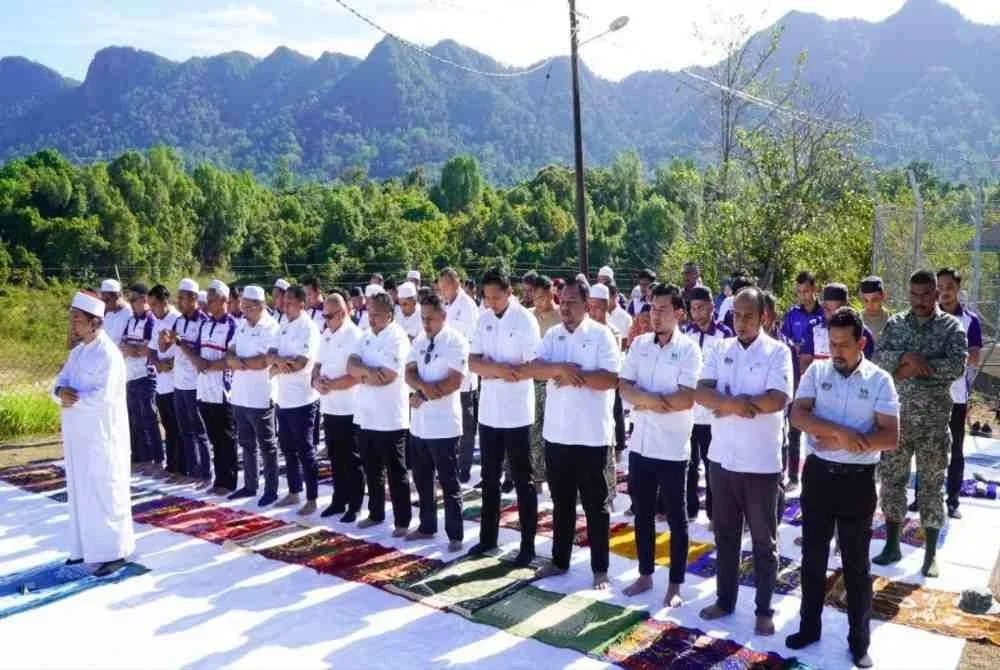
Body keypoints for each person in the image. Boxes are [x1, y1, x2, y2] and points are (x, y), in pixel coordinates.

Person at [786, 307, 899, 669]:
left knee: (856, 565)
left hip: (857, 482)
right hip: (818, 476)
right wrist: (841, 434)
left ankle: (859, 641)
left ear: (861, 342)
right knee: (812, 558)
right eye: (832, 343)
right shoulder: (816, 372)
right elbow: (798, 415)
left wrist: (849, 441)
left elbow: (890, 436)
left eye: (844, 345)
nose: (836, 351)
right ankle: (808, 628)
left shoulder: (880, 380)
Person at [695, 287, 793, 636]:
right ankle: (725, 600)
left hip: (761, 464)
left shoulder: (778, 352)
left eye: (749, 315)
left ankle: (764, 608)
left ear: (763, 316)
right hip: (722, 460)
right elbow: (702, 392)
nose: (741, 322)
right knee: (726, 536)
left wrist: (726, 404)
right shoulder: (720, 349)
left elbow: (776, 399)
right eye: (736, 315)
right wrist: (739, 405)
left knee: (764, 542)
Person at [872, 270, 966, 577]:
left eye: (926, 294)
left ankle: (929, 554)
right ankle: (892, 544)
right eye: (915, 294)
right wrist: (907, 357)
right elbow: (879, 359)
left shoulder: (951, 327)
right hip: (897, 421)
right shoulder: (896, 324)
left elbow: (956, 366)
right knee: (892, 481)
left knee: (931, 486)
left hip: (934, 423)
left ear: (936, 294)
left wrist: (918, 366)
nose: (920, 300)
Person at [530, 279, 621, 589]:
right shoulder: (553, 335)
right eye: (563, 301)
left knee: (596, 505)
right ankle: (559, 560)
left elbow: (610, 379)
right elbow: (535, 368)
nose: (565, 307)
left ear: (587, 305)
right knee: (562, 502)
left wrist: (573, 375)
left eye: (572, 302)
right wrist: (560, 369)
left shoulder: (601, 335)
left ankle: (600, 569)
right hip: (557, 434)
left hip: (591, 436)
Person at [620, 283, 702, 605]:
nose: (656, 315)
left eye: (663, 309)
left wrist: (646, 399)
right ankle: (645, 574)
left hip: (672, 448)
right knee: (641, 514)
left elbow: (684, 399)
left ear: (679, 313)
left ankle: (676, 583)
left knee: (676, 517)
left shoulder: (689, 350)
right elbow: (624, 387)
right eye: (653, 309)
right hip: (640, 445)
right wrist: (657, 401)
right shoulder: (639, 344)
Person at [54, 291, 135, 576]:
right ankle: (84, 550)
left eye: (77, 319)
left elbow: (104, 397)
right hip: (78, 438)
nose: (73, 324)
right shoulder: (77, 353)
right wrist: (59, 393)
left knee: (105, 492)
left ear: (94, 323)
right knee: (80, 493)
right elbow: (59, 383)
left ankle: (114, 552)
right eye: (72, 318)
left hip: (102, 437)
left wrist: (72, 398)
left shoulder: (109, 355)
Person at [467, 267, 541, 565]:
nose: (490, 303)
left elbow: (532, 365)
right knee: (489, 478)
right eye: (486, 297)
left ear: (509, 293)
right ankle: (488, 539)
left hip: (517, 413)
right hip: (489, 412)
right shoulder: (482, 319)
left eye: (496, 297)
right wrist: (499, 370)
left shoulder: (525, 320)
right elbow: (473, 363)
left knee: (524, 480)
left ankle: (527, 545)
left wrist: (493, 368)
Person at [404, 293, 468, 551]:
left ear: (443, 316)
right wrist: (422, 389)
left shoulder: (455, 341)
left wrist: (423, 392)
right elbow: (408, 372)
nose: (425, 323)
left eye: (430, 318)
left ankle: (455, 535)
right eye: (422, 318)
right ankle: (427, 526)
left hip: (444, 427)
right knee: (422, 480)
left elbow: (454, 382)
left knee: (448, 481)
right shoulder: (420, 340)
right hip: (419, 425)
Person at [348, 292, 413, 535]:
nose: (371, 319)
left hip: (390, 417)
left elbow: (387, 377)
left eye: (375, 315)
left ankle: (402, 521)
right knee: (372, 469)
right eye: (368, 313)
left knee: (396, 472)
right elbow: (350, 365)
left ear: (388, 315)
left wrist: (362, 373)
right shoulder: (365, 336)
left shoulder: (397, 338)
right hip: (365, 415)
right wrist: (368, 372)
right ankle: (375, 513)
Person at [933, 268, 982, 519]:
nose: (944, 292)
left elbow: (973, 357)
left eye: (948, 286)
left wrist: (945, 359)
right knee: (925, 447)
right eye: (939, 287)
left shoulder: (970, 320)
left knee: (956, 449)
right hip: (928, 395)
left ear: (957, 288)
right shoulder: (928, 317)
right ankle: (923, 498)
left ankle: (952, 500)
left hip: (956, 397)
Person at [226, 285, 281, 506]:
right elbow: (229, 354)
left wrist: (241, 363)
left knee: (267, 445)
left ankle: (271, 489)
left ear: (260, 306)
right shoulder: (242, 325)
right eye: (242, 306)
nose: (244, 311)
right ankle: (250, 485)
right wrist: (240, 362)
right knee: (246, 443)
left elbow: (265, 361)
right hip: (240, 395)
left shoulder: (271, 327)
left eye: (248, 307)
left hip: (260, 395)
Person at [682, 286, 733, 522]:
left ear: (712, 307)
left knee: (713, 462)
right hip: (689, 410)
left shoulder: (725, 335)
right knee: (688, 462)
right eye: (693, 308)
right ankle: (689, 508)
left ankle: (715, 513)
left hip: (713, 412)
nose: (697, 312)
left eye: (701, 307)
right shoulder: (685, 333)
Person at [269, 284, 322, 514]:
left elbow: (301, 363)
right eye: (284, 301)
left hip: (303, 399)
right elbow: (270, 355)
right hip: (283, 398)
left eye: (290, 301)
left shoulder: (308, 328)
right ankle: (293, 491)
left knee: (305, 449)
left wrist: (281, 364)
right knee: (288, 448)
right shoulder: (282, 325)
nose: (285, 304)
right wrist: (283, 363)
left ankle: (312, 498)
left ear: (302, 304)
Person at [313, 292, 365, 521]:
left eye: (330, 315)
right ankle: (338, 500)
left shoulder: (355, 336)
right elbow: (317, 364)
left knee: (352, 459)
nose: (326, 319)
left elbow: (356, 376)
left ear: (343, 313)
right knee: (335, 457)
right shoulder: (326, 334)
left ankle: (355, 504)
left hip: (350, 407)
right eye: (324, 315)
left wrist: (332, 384)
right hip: (330, 406)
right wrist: (316, 381)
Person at [779, 271, 824, 488]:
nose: (803, 296)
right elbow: (783, 338)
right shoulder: (792, 315)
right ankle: (793, 476)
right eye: (799, 292)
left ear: (815, 290)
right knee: (793, 427)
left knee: (818, 426)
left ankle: (818, 475)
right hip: (796, 376)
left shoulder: (826, 314)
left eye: (807, 291)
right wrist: (793, 346)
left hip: (820, 378)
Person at [162, 279, 210, 484]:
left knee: (199, 430)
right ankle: (190, 470)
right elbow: (166, 349)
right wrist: (163, 340)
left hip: (195, 384)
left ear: (194, 299)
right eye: (178, 297)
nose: (178, 301)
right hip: (178, 382)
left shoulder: (204, 322)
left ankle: (205, 473)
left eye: (182, 298)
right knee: (184, 430)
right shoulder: (178, 321)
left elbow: (199, 354)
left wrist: (179, 341)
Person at [195, 280, 239, 494]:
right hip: (204, 388)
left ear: (223, 300)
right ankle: (218, 479)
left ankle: (228, 481)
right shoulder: (205, 324)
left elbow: (232, 358)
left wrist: (210, 365)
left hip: (223, 389)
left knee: (226, 437)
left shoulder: (233, 325)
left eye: (211, 300)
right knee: (213, 435)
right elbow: (197, 351)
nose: (207, 304)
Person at [438, 268, 480, 484]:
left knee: (466, 424)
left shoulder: (468, 306)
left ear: (455, 283)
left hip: (464, 375)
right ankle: (452, 464)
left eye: (445, 286)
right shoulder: (446, 305)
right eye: (440, 287)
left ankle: (463, 468)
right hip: (446, 371)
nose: (442, 290)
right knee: (452, 422)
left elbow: (469, 341)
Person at [587, 283, 626, 501]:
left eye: (598, 307)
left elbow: (610, 371)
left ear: (606, 306)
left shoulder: (612, 332)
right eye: (590, 307)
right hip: (583, 401)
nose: (594, 312)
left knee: (605, 448)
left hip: (604, 398)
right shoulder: (582, 330)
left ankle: (608, 495)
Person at [120, 283, 162, 475]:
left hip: (146, 375)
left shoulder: (151, 321)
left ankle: (157, 458)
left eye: (133, 299)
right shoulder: (130, 320)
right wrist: (130, 349)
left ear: (144, 300)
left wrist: (133, 350)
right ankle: (140, 456)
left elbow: (148, 348)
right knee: (135, 417)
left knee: (149, 418)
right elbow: (123, 343)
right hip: (131, 375)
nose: (130, 303)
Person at [528, 274, 561, 490]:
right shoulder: (529, 317)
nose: (537, 302)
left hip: (555, 382)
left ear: (551, 294)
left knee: (554, 428)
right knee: (534, 428)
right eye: (534, 298)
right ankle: (538, 478)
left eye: (541, 297)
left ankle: (557, 475)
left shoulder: (560, 317)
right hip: (532, 380)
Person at [148, 285, 182, 479]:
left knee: (178, 428)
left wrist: (169, 364)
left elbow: (183, 349)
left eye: (154, 304)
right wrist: (156, 363)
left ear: (164, 302)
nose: (152, 309)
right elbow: (152, 349)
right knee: (168, 427)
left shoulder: (176, 320)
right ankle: (171, 466)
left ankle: (180, 468)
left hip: (177, 382)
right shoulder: (156, 321)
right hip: (161, 384)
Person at [800, 284, 875, 370]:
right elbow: (805, 363)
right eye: (828, 309)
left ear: (848, 306)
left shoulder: (863, 332)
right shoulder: (812, 328)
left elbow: (866, 368)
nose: (833, 314)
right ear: (823, 307)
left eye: (838, 309)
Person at [100, 278, 133, 347]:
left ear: (117, 296)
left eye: (107, 300)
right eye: (102, 301)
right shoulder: (107, 313)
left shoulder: (130, 313)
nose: (104, 304)